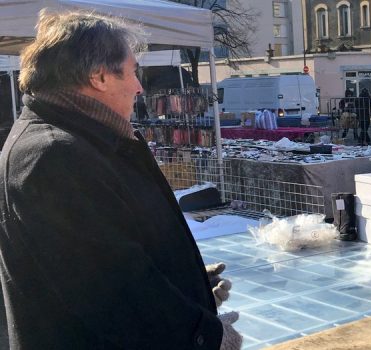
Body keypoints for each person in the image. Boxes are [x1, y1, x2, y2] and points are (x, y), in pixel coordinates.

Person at [0, 11, 240, 349]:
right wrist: (203, 335)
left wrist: (189, 285)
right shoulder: (55, 156)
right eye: (131, 72)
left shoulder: (87, 139)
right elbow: (114, 292)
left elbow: (120, 247)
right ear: (99, 77)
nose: (139, 87)